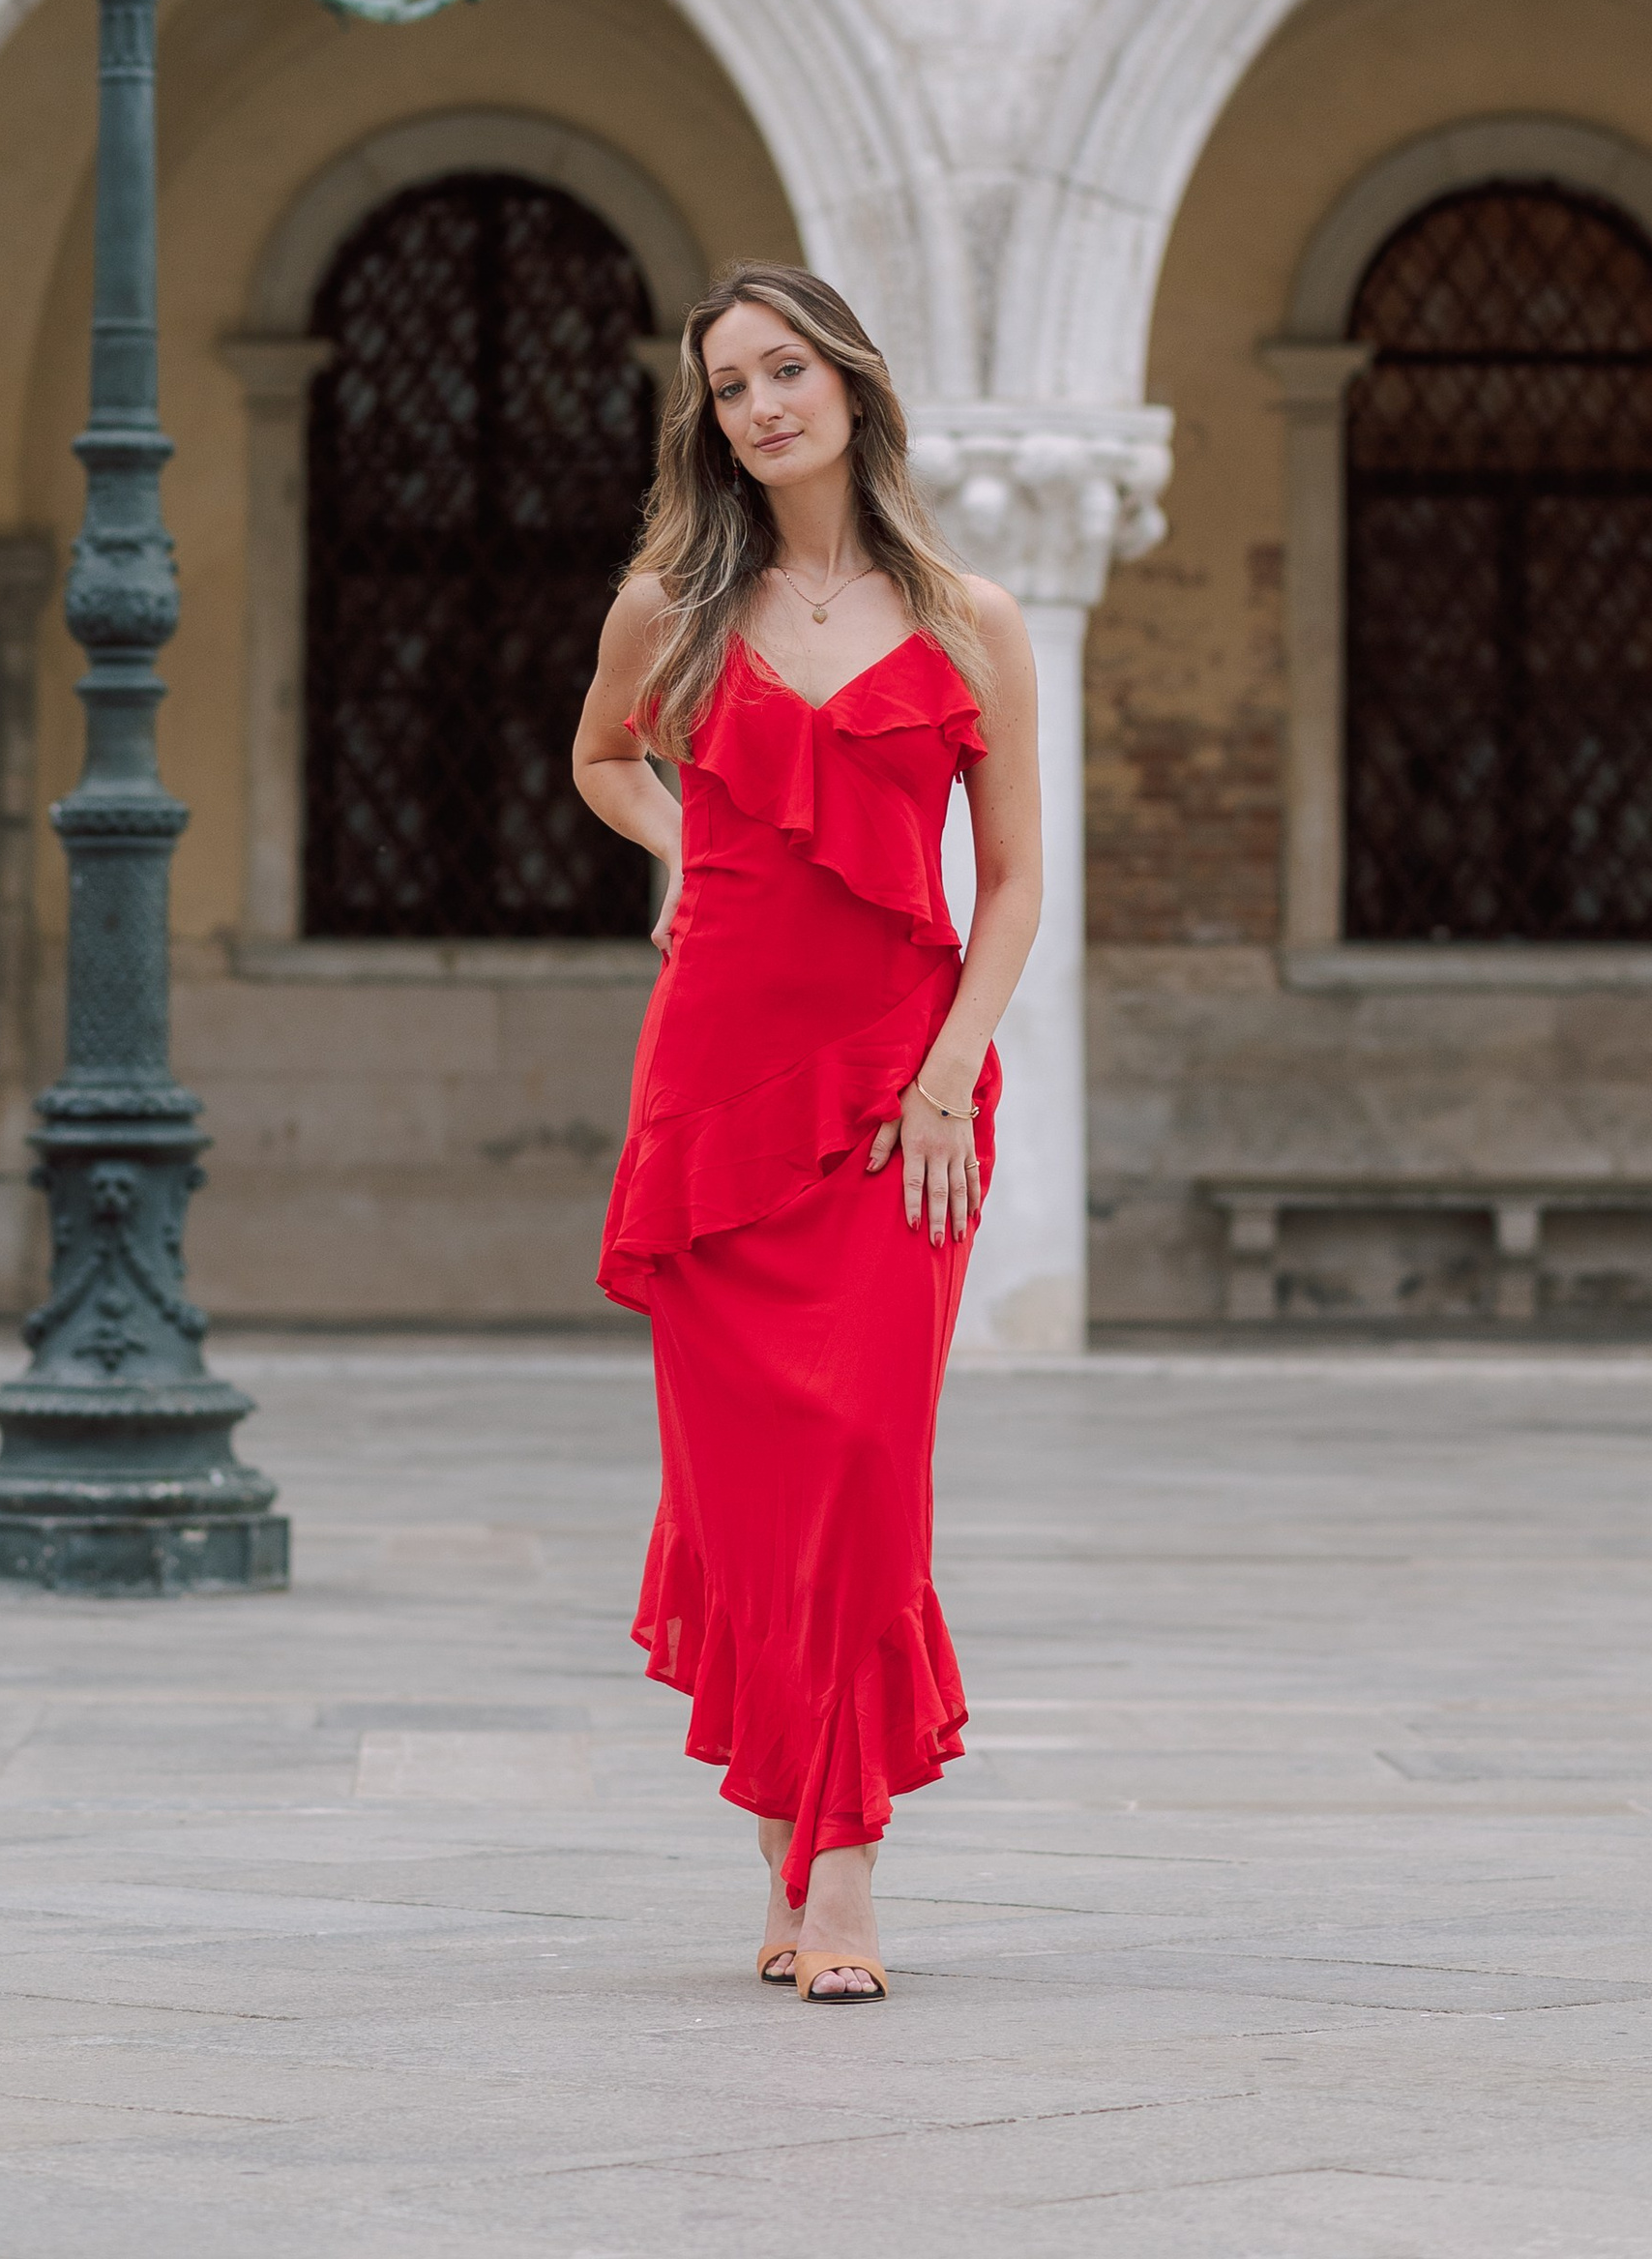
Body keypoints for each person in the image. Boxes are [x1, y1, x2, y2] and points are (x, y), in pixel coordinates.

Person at [572, 263, 1042, 2003]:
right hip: (714, 1091)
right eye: (728, 386)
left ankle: (840, 1881)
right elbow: (602, 759)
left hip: (899, 1097)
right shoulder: (672, 607)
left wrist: (941, 1079)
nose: (761, 404)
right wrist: (685, 844)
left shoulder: (975, 616)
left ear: (850, 381)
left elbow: (1011, 889)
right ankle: (790, 1847)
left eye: (786, 369)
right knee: (752, 1492)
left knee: (863, 1469)